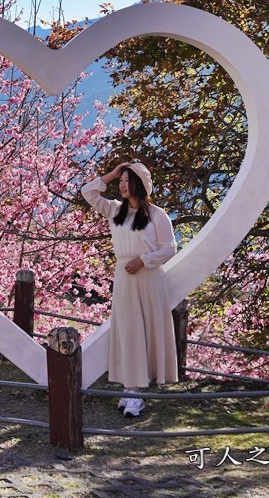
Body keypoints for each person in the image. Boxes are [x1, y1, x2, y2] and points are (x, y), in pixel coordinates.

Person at [82, 161, 178, 418]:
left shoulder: (157, 214)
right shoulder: (115, 210)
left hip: (149, 278)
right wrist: (112, 174)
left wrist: (143, 260)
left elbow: (170, 248)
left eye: (127, 180)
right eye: (121, 181)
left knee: (145, 331)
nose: (123, 185)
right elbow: (88, 192)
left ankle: (135, 392)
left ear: (139, 183)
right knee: (128, 331)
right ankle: (130, 388)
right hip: (125, 277)